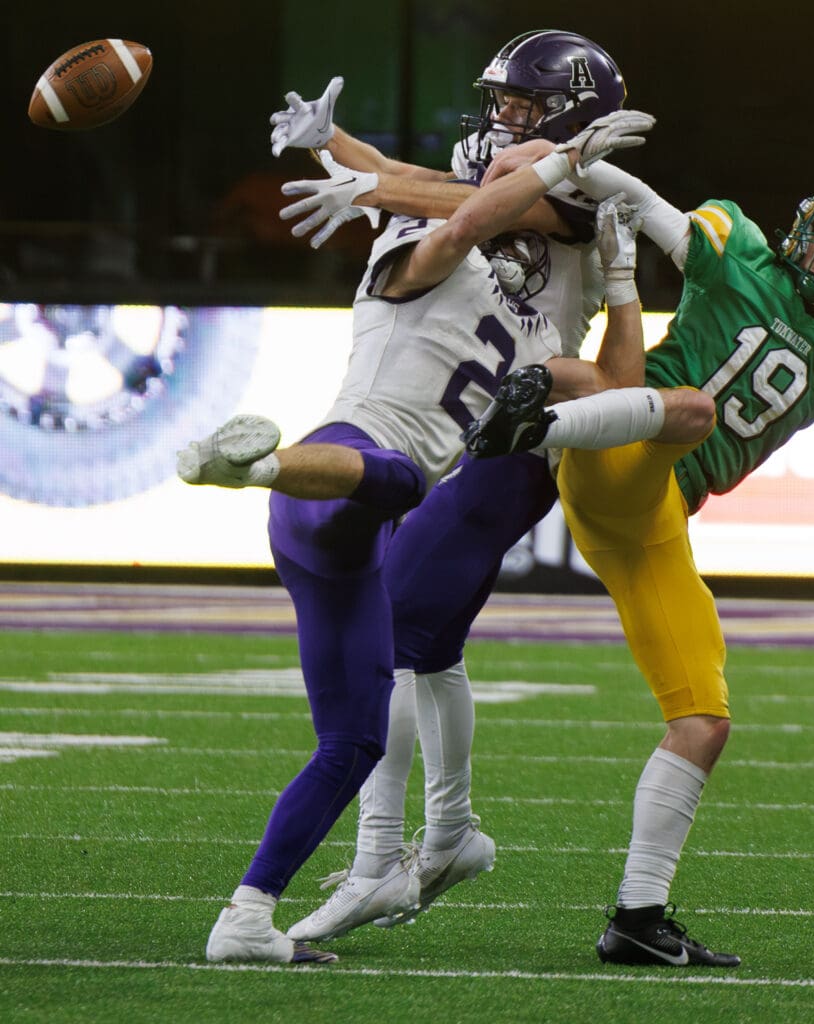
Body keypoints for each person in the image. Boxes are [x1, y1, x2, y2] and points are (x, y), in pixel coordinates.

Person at [177, 110, 688, 964]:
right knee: (407, 484)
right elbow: (463, 216)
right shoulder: (418, 261)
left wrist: (624, 274)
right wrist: (557, 159)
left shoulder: (529, 336)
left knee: (355, 739)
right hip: (339, 472)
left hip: (349, 525)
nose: (515, 250)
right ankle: (253, 468)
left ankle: (245, 920)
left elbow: (614, 387)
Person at [463, 176, 814, 967]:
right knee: (685, 407)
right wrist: (581, 157)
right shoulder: (738, 249)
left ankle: (636, 919)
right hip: (614, 454)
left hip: (656, 518)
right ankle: (532, 423)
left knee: (703, 720)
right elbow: (646, 208)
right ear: (801, 227)